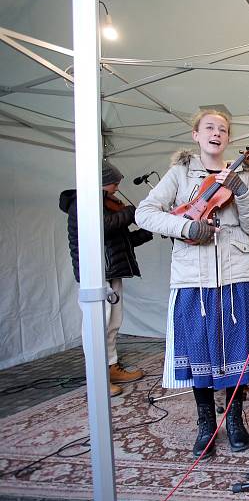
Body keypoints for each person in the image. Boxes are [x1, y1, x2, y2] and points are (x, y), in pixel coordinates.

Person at [135, 109, 249, 459]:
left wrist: (242, 191)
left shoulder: (242, 173)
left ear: (228, 139)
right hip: (193, 279)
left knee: (236, 352)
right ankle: (204, 423)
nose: (217, 133)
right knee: (200, 351)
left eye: (223, 129)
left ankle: (233, 419)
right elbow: (144, 212)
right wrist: (186, 228)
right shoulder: (180, 172)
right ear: (196, 134)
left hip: (237, 274)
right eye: (209, 127)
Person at [59, 160, 152, 397]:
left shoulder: (105, 204)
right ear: (101, 182)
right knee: (97, 324)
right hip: (96, 273)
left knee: (113, 322)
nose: (117, 188)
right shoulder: (82, 203)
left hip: (112, 270)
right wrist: (133, 212)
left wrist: (145, 232)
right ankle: (97, 377)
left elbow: (121, 241)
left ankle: (111, 366)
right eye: (114, 183)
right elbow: (101, 227)